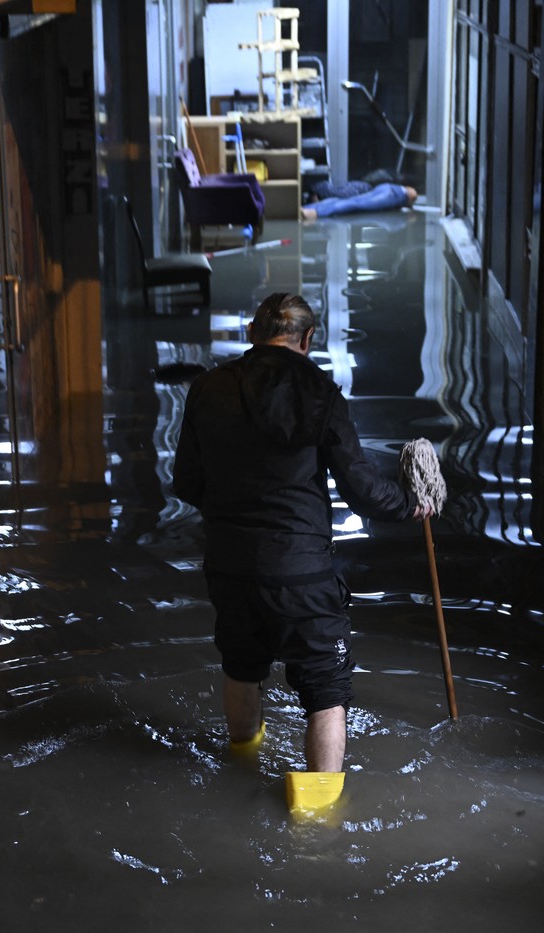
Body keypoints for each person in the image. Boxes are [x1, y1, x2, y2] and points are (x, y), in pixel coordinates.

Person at [172, 292, 429, 799]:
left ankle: (241, 768)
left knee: (241, 666)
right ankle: (318, 812)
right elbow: (360, 489)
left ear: (252, 332)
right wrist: (410, 504)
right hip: (301, 573)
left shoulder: (207, 388)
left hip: (229, 567)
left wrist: (233, 515)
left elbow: (186, 483)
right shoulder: (321, 393)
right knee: (326, 689)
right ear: (309, 339)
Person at [300, 183, 418, 220]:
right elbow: (413, 194)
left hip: (391, 189)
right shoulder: (403, 196)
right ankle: (314, 212)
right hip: (397, 194)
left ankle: (307, 208)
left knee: (350, 201)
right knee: (355, 203)